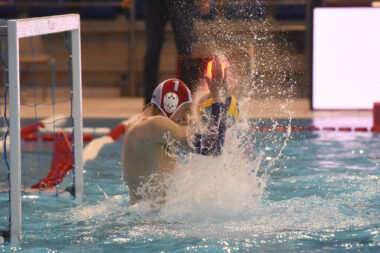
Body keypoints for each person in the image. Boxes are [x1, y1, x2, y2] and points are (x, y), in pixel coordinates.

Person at [121, 60, 230, 204]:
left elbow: (208, 134)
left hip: (145, 216)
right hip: (155, 221)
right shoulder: (157, 124)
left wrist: (220, 100)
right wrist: (218, 98)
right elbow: (213, 146)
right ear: (170, 104)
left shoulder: (142, 127)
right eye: (184, 111)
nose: (185, 118)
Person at [121, 0, 212, 103]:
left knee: (186, 53)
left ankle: (188, 99)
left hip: (182, 3)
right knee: (152, 50)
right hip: (155, 4)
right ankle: (150, 100)